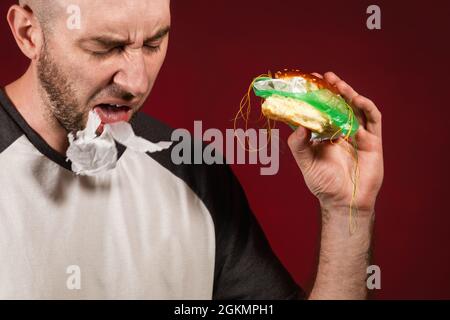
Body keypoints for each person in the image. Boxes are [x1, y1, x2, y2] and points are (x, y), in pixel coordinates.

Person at [0, 0, 384, 299]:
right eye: (105, 47)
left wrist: (347, 211)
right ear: (29, 33)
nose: (136, 82)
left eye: (153, 43)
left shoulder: (192, 171)